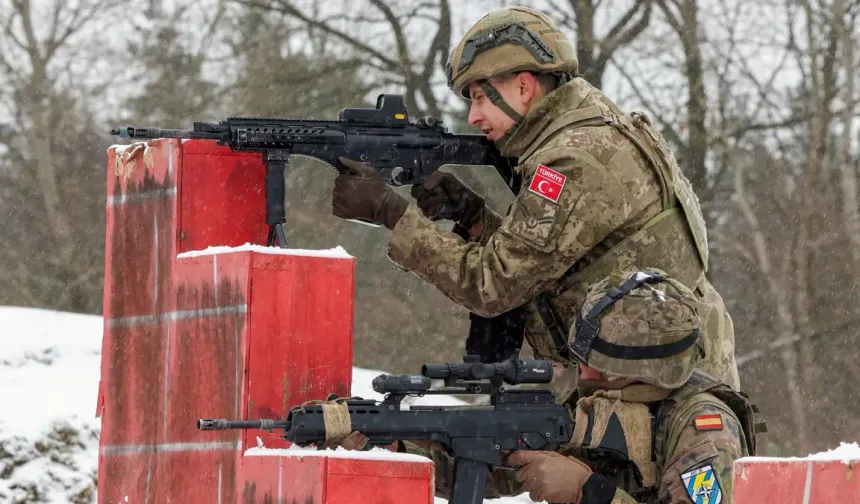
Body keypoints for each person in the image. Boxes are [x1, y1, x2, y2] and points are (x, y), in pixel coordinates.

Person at [330, 5, 740, 393]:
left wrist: (391, 211)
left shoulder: (572, 158)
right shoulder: (590, 130)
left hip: (662, 393)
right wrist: (474, 217)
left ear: (523, 86)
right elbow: (557, 259)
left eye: (478, 96)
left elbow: (492, 285)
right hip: (656, 378)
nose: (473, 117)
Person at [334, 269, 762, 503]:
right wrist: (399, 448)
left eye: (595, 362)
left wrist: (585, 490)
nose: (580, 370)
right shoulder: (599, 400)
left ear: (642, 370)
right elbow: (495, 471)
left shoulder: (706, 427)